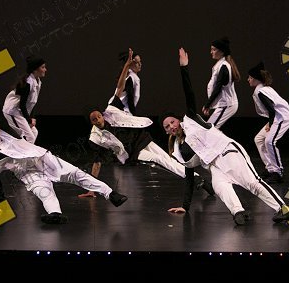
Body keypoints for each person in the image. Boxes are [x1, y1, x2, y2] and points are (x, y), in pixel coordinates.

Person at [163, 48, 289, 226]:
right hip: (214, 166)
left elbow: (189, 93)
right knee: (220, 187)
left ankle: (283, 208)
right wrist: (185, 206)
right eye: (167, 127)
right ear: (167, 132)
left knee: (252, 183)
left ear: (178, 120)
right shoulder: (179, 149)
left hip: (227, 152)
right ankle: (239, 212)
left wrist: (184, 68)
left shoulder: (191, 119)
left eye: (172, 122)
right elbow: (189, 176)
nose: (171, 126)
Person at [0, 87, 128, 225]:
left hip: (41, 158)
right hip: (26, 173)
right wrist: (1, 204)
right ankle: (55, 214)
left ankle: (111, 194)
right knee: (44, 191)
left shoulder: (3, 132)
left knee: (75, 174)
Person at [78, 49, 214, 198]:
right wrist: (91, 189)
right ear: (90, 122)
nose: (98, 120)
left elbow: (120, 87)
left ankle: (199, 180)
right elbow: (97, 162)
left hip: (141, 138)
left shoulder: (111, 110)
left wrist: (126, 66)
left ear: (101, 113)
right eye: (94, 120)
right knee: (158, 159)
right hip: (133, 153)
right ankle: (195, 179)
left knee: (167, 159)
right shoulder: (95, 137)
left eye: (99, 116)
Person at [247, 62, 289, 183]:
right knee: (259, 139)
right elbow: (271, 111)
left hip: (283, 117)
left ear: (256, 79)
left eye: (250, 77)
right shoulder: (262, 89)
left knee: (270, 141)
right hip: (276, 117)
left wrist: (270, 124)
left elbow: (272, 110)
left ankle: (278, 172)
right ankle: (270, 169)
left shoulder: (261, 91)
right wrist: (270, 122)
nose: (248, 80)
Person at [2, 55, 45, 144]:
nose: (45, 70)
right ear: (35, 69)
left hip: (20, 112)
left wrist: (32, 117)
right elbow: (22, 105)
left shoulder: (38, 81)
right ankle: (20, 153)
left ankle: (25, 152)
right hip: (12, 111)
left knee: (34, 132)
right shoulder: (28, 83)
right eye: (43, 67)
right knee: (29, 137)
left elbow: (33, 102)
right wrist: (29, 120)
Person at [202, 37, 241, 129]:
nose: (211, 52)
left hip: (227, 105)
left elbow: (218, 88)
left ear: (222, 51)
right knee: (210, 129)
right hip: (225, 105)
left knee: (209, 129)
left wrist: (207, 104)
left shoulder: (223, 66)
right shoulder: (220, 65)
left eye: (214, 49)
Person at [107, 49, 142, 115]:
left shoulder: (131, 76)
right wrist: (133, 113)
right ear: (130, 64)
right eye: (136, 62)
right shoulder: (131, 77)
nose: (140, 64)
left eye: (140, 61)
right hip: (118, 109)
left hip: (118, 108)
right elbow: (130, 97)